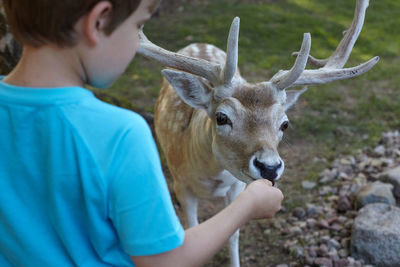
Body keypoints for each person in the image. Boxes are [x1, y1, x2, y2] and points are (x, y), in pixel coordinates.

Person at [0, 0, 284, 266]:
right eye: (138, 28)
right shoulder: (121, 135)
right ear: (99, 21)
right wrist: (247, 205)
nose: (139, 42)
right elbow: (163, 260)